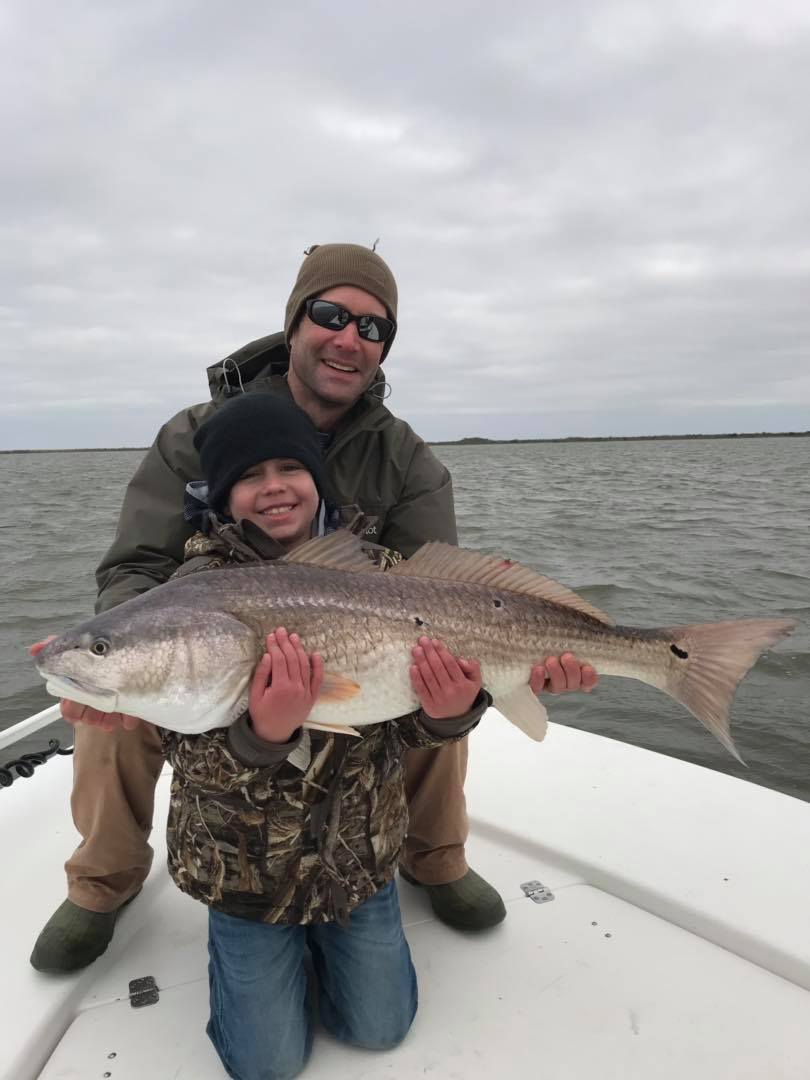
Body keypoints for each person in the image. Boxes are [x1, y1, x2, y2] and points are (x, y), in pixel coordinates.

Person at [31, 243, 597, 974]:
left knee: (438, 676)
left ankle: (437, 857)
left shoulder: (406, 459)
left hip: (359, 645)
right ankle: (102, 882)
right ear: (295, 322)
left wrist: (496, 665)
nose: (349, 338)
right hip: (216, 638)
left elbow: (444, 594)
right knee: (114, 702)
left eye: (374, 328)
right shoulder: (196, 433)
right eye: (331, 315)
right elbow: (137, 563)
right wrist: (136, 639)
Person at [166, 391, 493, 1078]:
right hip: (245, 879)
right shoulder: (192, 598)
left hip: (357, 863)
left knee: (381, 1031)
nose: (273, 487)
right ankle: (265, 962)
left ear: (318, 479)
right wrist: (264, 732)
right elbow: (188, 759)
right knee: (267, 1068)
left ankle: (320, 949)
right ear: (223, 496)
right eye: (249, 476)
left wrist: (449, 710)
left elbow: (404, 726)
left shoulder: (381, 578)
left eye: (291, 467)